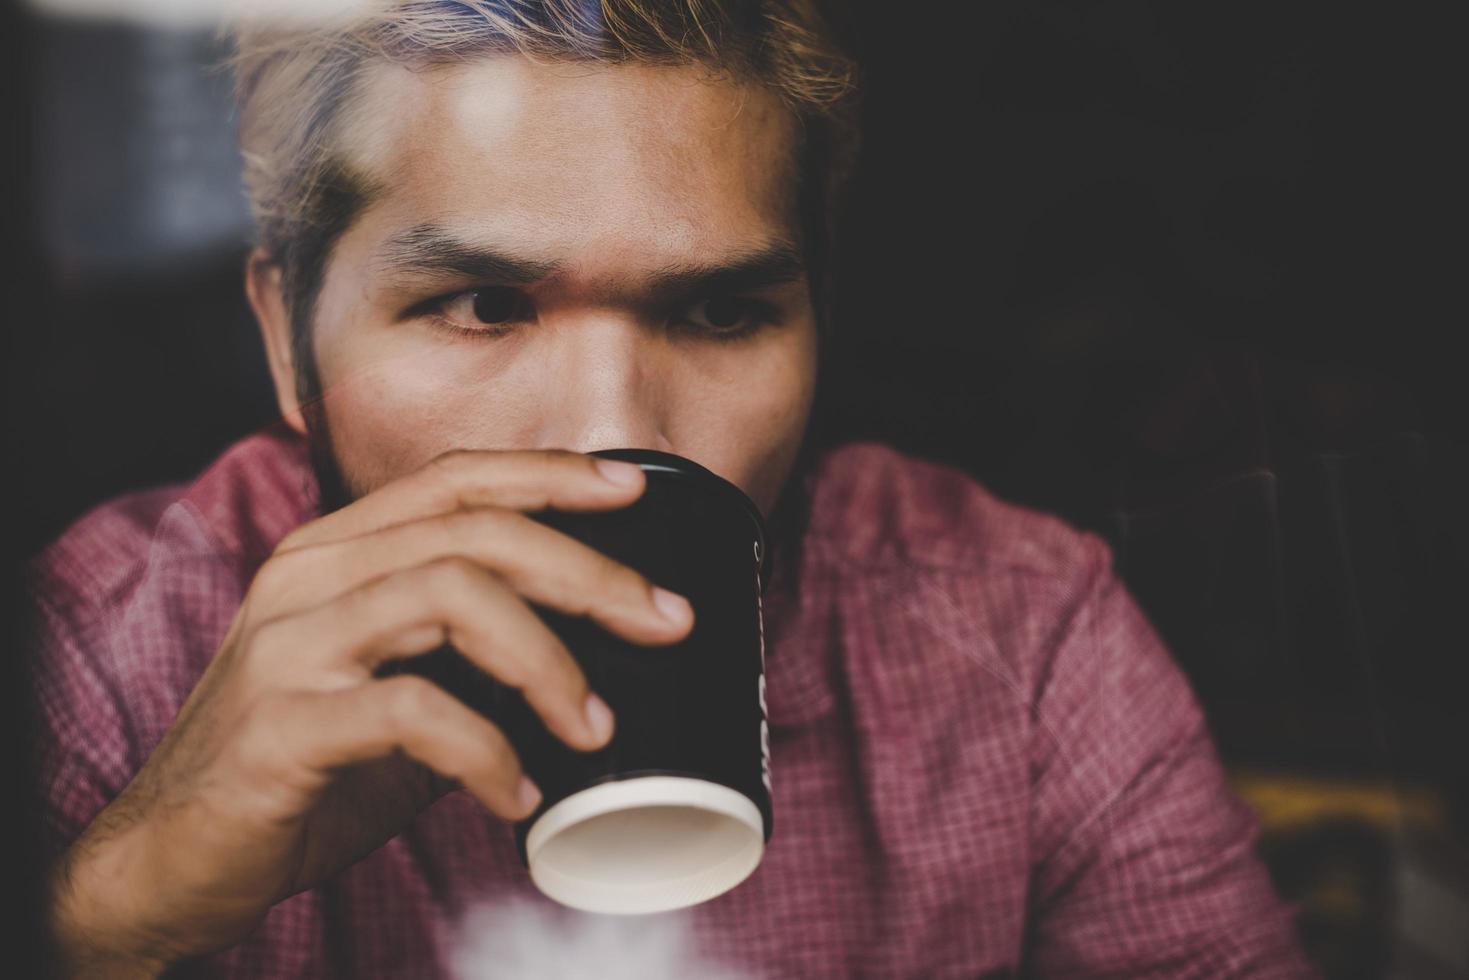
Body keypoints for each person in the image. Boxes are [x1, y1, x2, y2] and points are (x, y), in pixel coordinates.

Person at [29, 1, 1317, 976]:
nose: (611, 432)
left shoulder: (1019, 630)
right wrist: (112, 911)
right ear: (284, 337)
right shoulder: (103, 646)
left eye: (719, 309)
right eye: (482, 303)